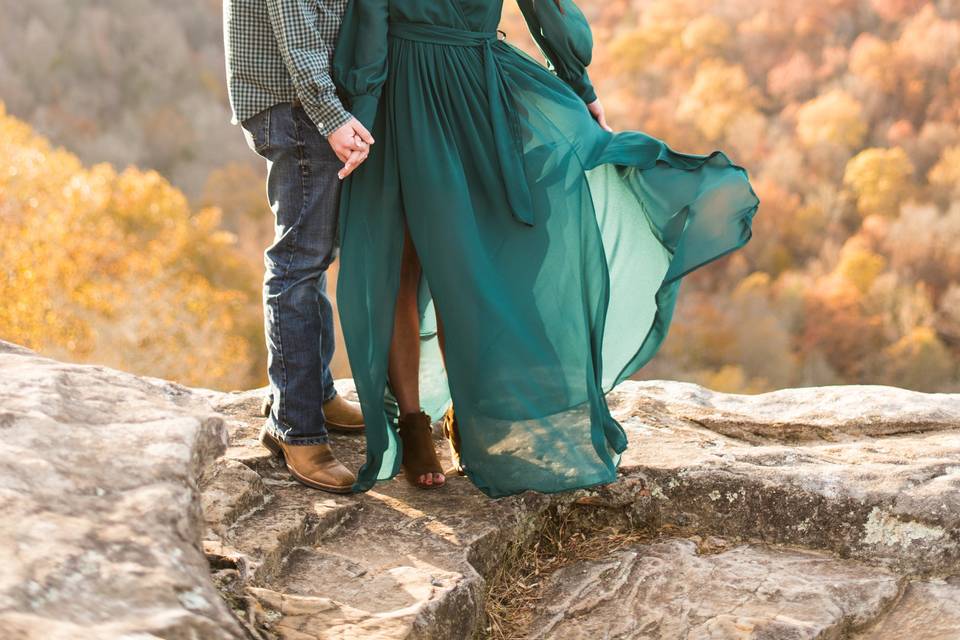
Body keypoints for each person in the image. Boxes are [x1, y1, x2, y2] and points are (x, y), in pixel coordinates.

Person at [331, 0, 760, 498]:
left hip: (474, 93)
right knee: (399, 264)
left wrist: (579, 87)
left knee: (466, 262)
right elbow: (370, 16)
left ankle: (468, 408)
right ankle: (411, 420)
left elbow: (546, 7)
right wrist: (361, 115)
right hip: (400, 95)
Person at [223, 0, 373, 493]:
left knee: (313, 257)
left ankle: (314, 392)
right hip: (295, 102)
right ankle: (295, 427)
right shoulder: (308, 105)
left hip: (301, 97)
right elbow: (294, 23)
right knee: (298, 262)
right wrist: (330, 114)